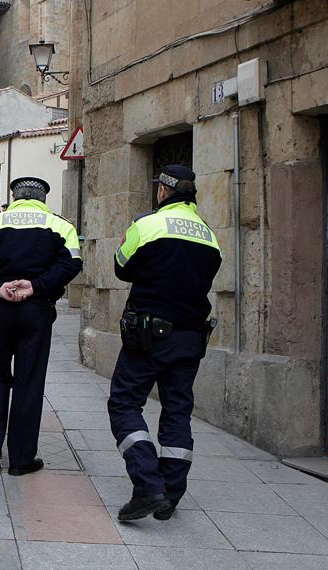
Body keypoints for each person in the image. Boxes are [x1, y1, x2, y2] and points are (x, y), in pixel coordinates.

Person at [108, 164, 221, 521]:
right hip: (190, 339)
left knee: (125, 404)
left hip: (148, 337)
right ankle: (170, 495)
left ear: (163, 191)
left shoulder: (148, 225)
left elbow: (121, 266)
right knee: (177, 412)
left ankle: (147, 485)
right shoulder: (208, 235)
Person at [0, 177, 82, 475]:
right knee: (29, 381)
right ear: (42, 198)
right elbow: (71, 264)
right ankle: (21, 459)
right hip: (36, 310)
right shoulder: (60, 225)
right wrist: (36, 286)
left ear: (14, 196)